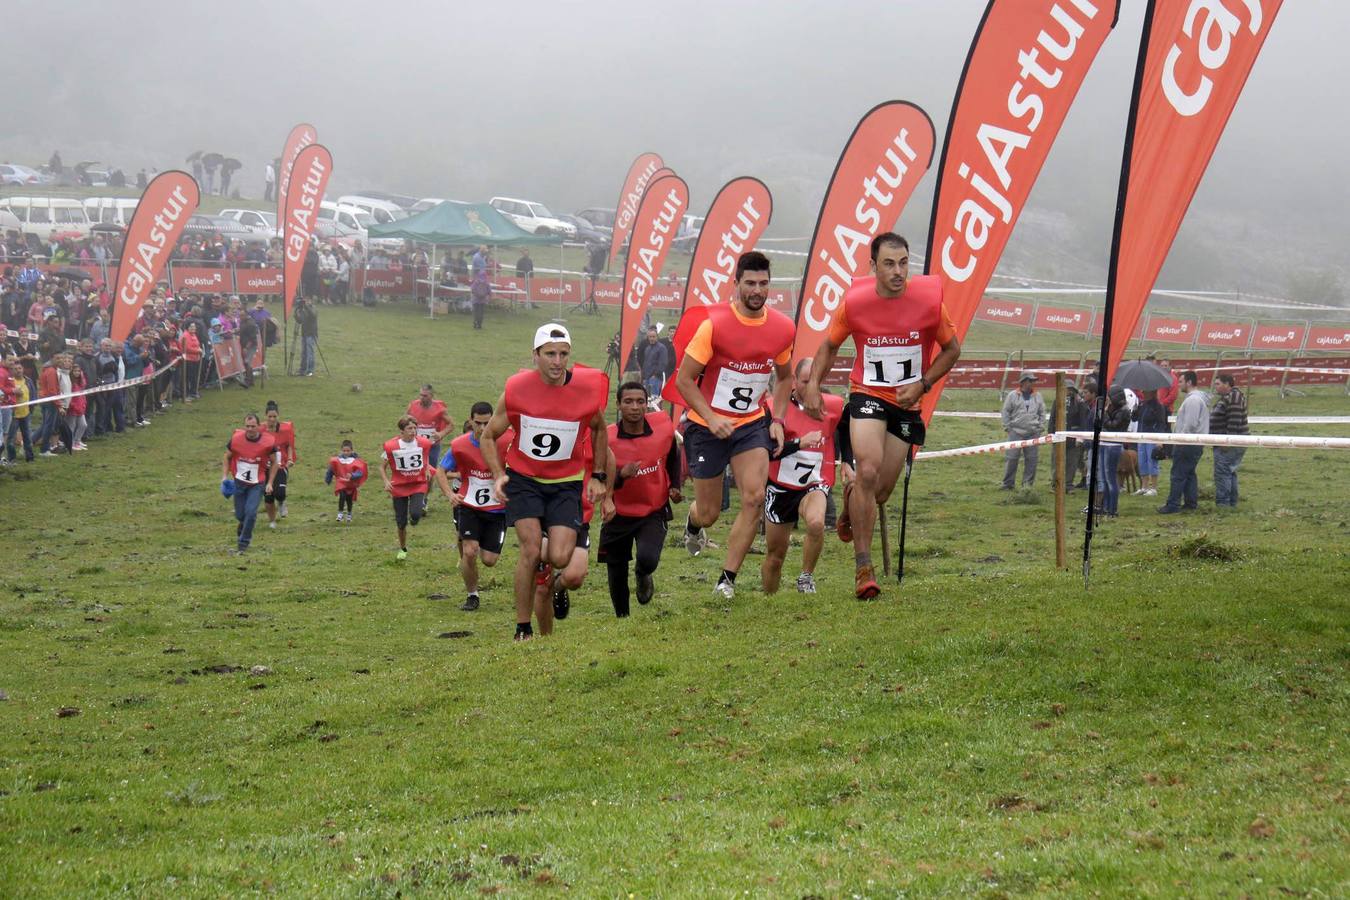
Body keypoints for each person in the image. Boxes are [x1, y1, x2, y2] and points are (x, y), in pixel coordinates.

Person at [799, 232, 961, 599]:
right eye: (889, 263)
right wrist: (813, 386)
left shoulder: (929, 302)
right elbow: (829, 346)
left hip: (907, 402)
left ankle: (853, 504)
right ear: (872, 266)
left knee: (880, 491)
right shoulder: (855, 303)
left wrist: (923, 384)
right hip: (868, 394)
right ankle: (863, 569)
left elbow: (952, 349)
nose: (898, 271)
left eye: (904, 262)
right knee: (867, 469)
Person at [674, 250, 794, 600]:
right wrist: (712, 418)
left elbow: (785, 379)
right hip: (706, 426)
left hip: (751, 424)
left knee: (754, 498)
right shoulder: (714, 325)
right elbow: (684, 381)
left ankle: (727, 578)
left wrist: (779, 419)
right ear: (737, 283)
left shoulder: (782, 327)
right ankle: (694, 524)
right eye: (750, 283)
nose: (757, 290)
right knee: (710, 512)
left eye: (764, 284)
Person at [479, 324, 609, 641]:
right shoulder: (516, 388)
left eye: (563, 354)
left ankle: (550, 574)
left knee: (562, 557)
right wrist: (499, 475)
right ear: (535, 355)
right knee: (530, 549)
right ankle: (523, 627)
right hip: (524, 480)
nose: (557, 361)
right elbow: (488, 436)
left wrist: (598, 475)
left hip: (565, 482)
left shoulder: (586, 390)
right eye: (550, 354)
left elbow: (600, 430)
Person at [761, 358, 848, 595]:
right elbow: (768, 453)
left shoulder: (833, 405)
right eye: (805, 381)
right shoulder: (773, 407)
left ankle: (806, 577)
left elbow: (845, 427)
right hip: (779, 486)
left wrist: (847, 462)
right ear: (794, 381)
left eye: (815, 381)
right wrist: (799, 443)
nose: (810, 387)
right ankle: (769, 600)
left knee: (816, 523)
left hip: (814, 482)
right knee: (776, 556)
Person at [598, 382, 680, 617]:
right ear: (618, 405)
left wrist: (674, 485)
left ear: (647, 404)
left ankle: (643, 573)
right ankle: (622, 617)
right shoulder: (607, 438)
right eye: (628, 402)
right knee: (616, 567)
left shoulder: (663, 426)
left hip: (652, 509)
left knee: (648, 559)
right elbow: (596, 480)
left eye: (640, 401)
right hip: (618, 511)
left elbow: (674, 454)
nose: (635, 407)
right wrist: (621, 476)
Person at [436, 401, 514, 611]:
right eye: (478, 423)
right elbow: (440, 470)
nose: (482, 428)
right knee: (469, 551)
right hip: (468, 505)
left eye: (487, 423)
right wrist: (449, 494)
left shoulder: (507, 440)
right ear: (470, 421)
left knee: (489, 560)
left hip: (497, 510)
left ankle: (480, 557)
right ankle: (472, 595)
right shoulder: (460, 445)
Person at [222, 413, 279, 553]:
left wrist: (270, 483)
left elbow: (274, 463)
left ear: (259, 426)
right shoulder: (236, 440)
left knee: (251, 513)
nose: (250, 429)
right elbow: (226, 456)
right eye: (247, 426)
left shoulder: (268, 442)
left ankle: (243, 543)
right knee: (240, 515)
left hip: (257, 484)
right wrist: (224, 476)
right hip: (239, 483)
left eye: (253, 426)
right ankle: (243, 524)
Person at [382, 416, 435, 560]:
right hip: (399, 486)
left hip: (418, 483)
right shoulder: (391, 446)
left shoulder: (423, 442)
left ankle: (415, 518)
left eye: (414, 428)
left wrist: (427, 468)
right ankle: (403, 548)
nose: (413, 431)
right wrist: (386, 481)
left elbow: (425, 455)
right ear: (401, 431)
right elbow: (382, 466)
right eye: (409, 429)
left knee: (416, 514)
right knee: (401, 522)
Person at [1158, 371, 1207, 514]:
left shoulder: (1193, 400)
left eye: (1180, 381)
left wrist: (1180, 440)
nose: (1178, 385)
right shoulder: (1196, 399)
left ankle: (1173, 504)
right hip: (1194, 443)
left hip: (1187, 443)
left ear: (1189, 382)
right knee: (1189, 474)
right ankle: (1190, 503)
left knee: (1178, 474)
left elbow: (1190, 424)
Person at [1000, 372, 1047, 489]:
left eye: (1033, 381)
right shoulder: (1012, 395)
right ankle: (1008, 484)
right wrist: (1008, 427)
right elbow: (1005, 411)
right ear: (1023, 382)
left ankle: (1027, 485)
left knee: (1031, 460)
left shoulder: (1038, 396)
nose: (1033, 383)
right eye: (1030, 381)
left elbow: (1042, 412)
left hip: (1033, 433)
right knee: (1011, 459)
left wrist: (1040, 427)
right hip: (1015, 432)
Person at [1209, 373, 1249, 508]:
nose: (1215, 387)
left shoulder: (1234, 397)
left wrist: (1228, 440)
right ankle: (1231, 503)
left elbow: (1235, 419)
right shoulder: (1228, 397)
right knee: (1229, 472)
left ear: (1227, 384)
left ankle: (1223, 504)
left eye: (1218, 384)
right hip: (1225, 441)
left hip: (1228, 443)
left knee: (1222, 472)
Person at [1093, 386, 1131, 518]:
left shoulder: (1124, 411)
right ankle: (1106, 507)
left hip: (1113, 445)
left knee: (1110, 478)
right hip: (1104, 443)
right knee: (1104, 477)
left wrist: (1103, 415)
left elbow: (1113, 425)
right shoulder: (1111, 409)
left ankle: (1113, 509)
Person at [262, 401, 299, 528]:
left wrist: (289, 459)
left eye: (274, 416)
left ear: (278, 416)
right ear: (265, 416)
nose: (272, 419)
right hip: (265, 467)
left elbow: (289, 445)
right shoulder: (260, 429)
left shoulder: (285, 429)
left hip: (281, 465)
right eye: (270, 416)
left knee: (280, 493)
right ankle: (272, 521)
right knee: (268, 496)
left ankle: (282, 502)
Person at [1132, 388, 1168, 497]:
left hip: (1152, 437)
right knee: (1142, 462)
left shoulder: (1158, 406)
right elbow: (1134, 418)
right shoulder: (1142, 405)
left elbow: (1162, 424)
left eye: (1145, 391)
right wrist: (1135, 410)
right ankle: (1144, 487)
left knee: (1152, 461)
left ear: (1152, 392)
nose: (1142, 392)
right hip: (1141, 437)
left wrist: (1159, 440)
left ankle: (1154, 488)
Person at [407, 384, 452, 467]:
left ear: (431, 396)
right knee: (414, 468)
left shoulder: (440, 409)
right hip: (415, 443)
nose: (421, 397)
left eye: (425, 396)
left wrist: (441, 434)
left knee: (431, 470)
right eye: (420, 395)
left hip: (432, 445)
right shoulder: (413, 405)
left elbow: (451, 425)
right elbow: (405, 421)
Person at [325, 440, 367, 522]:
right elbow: (331, 469)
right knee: (342, 496)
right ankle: (340, 513)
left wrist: (353, 476)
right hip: (341, 482)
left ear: (352, 450)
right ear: (341, 450)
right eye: (344, 451)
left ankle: (349, 514)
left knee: (349, 499)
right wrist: (328, 478)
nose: (346, 452)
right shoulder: (337, 460)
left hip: (351, 483)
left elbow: (360, 472)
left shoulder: (356, 460)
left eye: (348, 451)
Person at [638, 325, 671, 403]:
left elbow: (663, 363)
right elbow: (645, 363)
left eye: (653, 336)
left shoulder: (661, 348)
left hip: (656, 379)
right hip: (647, 378)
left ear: (657, 337)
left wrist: (655, 375)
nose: (652, 338)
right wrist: (644, 376)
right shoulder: (647, 348)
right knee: (647, 401)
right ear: (648, 337)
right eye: (650, 337)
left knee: (655, 402)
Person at [295, 298, 318, 376]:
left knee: (310, 352)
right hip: (304, 333)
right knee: (303, 353)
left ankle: (310, 370)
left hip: (311, 333)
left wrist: (306, 306)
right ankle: (302, 369)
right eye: (305, 301)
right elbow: (299, 320)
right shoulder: (303, 310)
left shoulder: (313, 308)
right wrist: (297, 310)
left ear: (311, 301)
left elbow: (313, 315)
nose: (306, 302)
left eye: (308, 300)